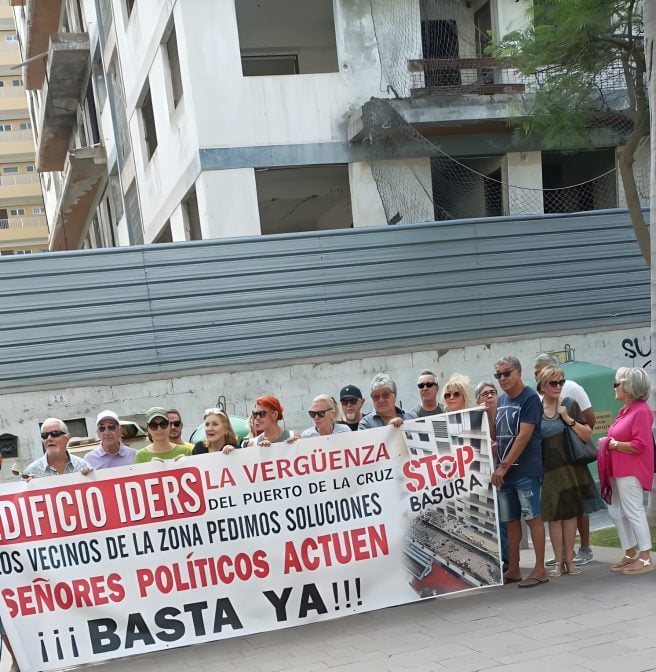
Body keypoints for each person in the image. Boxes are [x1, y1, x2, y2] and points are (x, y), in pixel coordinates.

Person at [537, 366, 601, 577]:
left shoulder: (569, 405)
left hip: (571, 468)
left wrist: (568, 420)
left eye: (561, 382)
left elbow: (586, 434)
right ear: (543, 386)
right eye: (553, 383)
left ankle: (570, 561)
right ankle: (558, 562)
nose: (558, 387)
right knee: (555, 518)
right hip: (550, 471)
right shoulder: (536, 410)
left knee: (572, 514)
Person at [491, 356, 548, 588]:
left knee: (532, 517)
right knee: (511, 521)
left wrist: (503, 466)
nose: (502, 379)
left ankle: (540, 569)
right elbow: (497, 434)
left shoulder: (530, 398)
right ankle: (514, 568)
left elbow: (524, 435)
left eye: (507, 373)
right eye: (498, 375)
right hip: (507, 474)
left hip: (525, 470)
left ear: (518, 371)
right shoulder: (502, 399)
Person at [604, 367, 654, 575]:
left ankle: (645, 556)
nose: (614, 387)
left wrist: (614, 445)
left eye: (618, 383)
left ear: (629, 387)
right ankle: (630, 550)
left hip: (630, 470)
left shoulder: (640, 411)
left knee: (633, 511)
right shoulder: (627, 410)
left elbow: (640, 444)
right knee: (615, 511)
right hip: (617, 469)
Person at [23, 418, 93, 478]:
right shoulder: (31, 472)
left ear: (67, 437)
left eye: (55, 433)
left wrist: (91, 478)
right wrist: (27, 486)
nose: (49, 438)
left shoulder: (83, 466)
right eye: (44, 435)